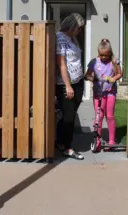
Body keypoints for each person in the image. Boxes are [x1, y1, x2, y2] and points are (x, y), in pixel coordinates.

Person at [55, 13, 86, 160]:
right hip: (67, 84)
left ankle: (60, 140)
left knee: (70, 114)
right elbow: (61, 64)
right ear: (72, 26)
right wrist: (68, 86)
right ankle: (68, 148)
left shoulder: (72, 39)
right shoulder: (60, 38)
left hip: (78, 81)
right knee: (69, 117)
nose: (80, 31)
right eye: (79, 28)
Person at [84, 39, 123, 148]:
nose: (104, 58)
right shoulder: (94, 62)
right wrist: (92, 78)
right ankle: (97, 139)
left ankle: (111, 141)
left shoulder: (114, 61)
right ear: (98, 53)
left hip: (110, 93)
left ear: (110, 53)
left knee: (109, 116)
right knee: (99, 116)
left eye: (106, 55)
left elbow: (120, 73)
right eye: (101, 55)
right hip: (98, 93)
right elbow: (87, 75)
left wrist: (113, 78)